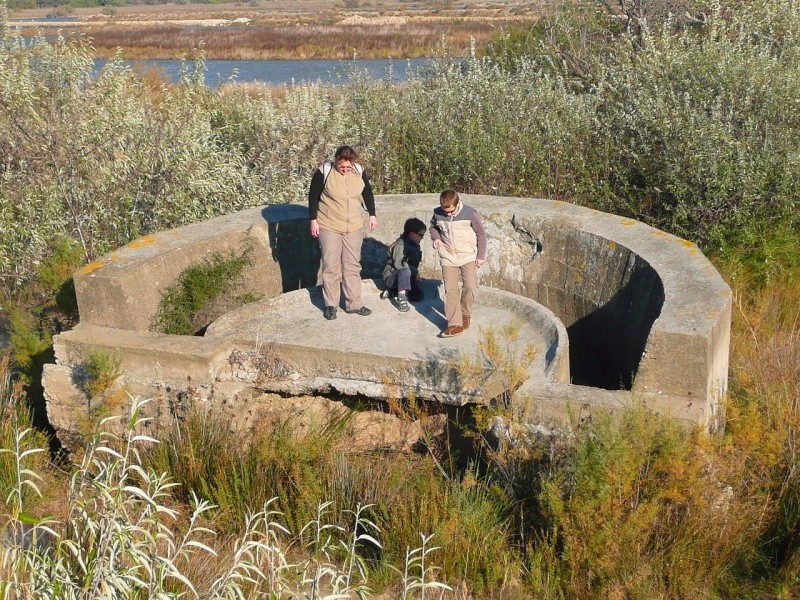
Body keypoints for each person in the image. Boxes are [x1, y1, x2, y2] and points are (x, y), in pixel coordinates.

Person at [308, 145, 377, 320]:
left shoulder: (358, 171)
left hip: (353, 226)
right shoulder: (324, 172)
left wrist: (372, 214)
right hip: (329, 224)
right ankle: (330, 304)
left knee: (352, 265)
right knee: (331, 265)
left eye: (348, 167)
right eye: (341, 167)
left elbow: (367, 193)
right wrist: (313, 221)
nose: (345, 170)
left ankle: (354, 303)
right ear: (336, 161)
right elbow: (313, 197)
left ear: (353, 162)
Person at [429, 189, 487, 337]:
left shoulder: (470, 213)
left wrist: (480, 255)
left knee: (471, 286)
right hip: (448, 256)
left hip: (467, 255)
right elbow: (433, 227)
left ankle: (465, 313)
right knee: (450, 290)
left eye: (451, 211)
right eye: (445, 211)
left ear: (457, 204)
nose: (448, 214)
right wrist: (436, 237)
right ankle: (455, 324)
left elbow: (481, 234)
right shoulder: (437, 213)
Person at [381, 217, 427, 312]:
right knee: (405, 270)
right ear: (412, 234)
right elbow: (400, 265)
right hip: (391, 278)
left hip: (405, 277)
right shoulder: (400, 245)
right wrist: (415, 272)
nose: (422, 238)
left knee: (418, 296)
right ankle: (401, 299)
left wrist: (415, 276)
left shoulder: (415, 245)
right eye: (421, 235)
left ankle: (393, 292)